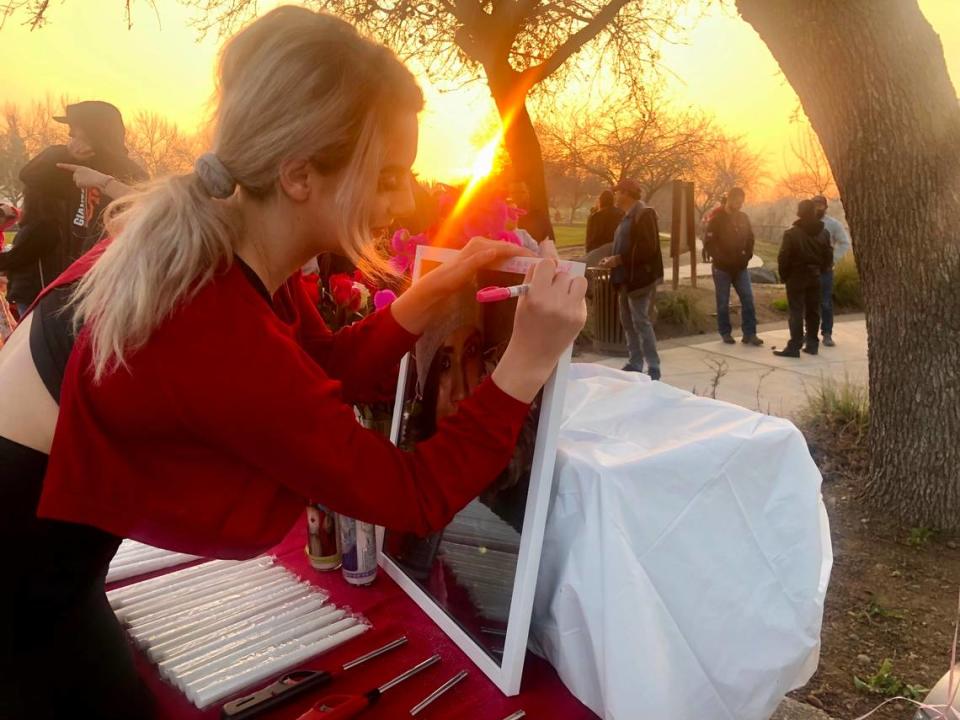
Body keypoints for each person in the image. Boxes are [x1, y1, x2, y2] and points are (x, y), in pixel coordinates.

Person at [0, 8, 587, 720]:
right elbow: (410, 494)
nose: (404, 200)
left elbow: (325, 367)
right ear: (300, 173)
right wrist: (524, 365)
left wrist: (427, 294)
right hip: (22, 582)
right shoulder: (209, 321)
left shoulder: (228, 247)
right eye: (387, 176)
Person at [0, 101, 147, 312]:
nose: (72, 142)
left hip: (107, 289)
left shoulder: (131, 174)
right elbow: (29, 174)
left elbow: (146, 217)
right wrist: (64, 153)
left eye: (79, 136)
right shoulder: (70, 168)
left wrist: (104, 180)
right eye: (71, 136)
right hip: (68, 283)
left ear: (98, 136)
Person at [600, 178, 664, 380]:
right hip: (625, 278)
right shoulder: (627, 217)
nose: (615, 196)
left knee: (640, 321)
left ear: (627, 193)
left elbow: (648, 248)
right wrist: (612, 259)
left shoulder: (644, 214)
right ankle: (635, 362)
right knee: (627, 321)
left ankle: (653, 367)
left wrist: (618, 259)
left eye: (619, 192)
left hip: (639, 280)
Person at [703, 187, 763, 346]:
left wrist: (747, 256)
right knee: (723, 301)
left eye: (741, 202)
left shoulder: (743, 218)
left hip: (740, 267)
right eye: (737, 201)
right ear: (729, 199)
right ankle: (725, 332)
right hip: (722, 268)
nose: (739, 204)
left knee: (748, 298)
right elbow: (709, 243)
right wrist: (721, 258)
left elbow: (750, 238)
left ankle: (750, 334)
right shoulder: (716, 218)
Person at [773, 200, 833, 358]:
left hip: (796, 276)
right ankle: (813, 344)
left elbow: (783, 257)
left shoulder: (791, 234)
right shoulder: (824, 233)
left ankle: (794, 346)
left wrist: (784, 276)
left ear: (799, 212)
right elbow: (828, 256)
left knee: (796, 311)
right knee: (813, 311)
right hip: (815, 276)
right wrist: (821, 270)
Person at [811, 195, 852, 347]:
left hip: (825, 270)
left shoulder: (833, 224)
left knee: (825, 302)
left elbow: (844, 242)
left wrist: (832, 259)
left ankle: (827, 333)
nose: (817, 208)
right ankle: (809, 333)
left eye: (820, 206)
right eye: (815, 205)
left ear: (825, 207)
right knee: (808, 302)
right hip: (808, 269)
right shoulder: (805, 224)